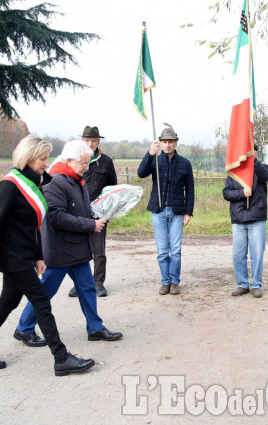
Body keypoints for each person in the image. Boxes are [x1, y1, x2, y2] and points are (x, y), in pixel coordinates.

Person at [0, 136, 95, 377]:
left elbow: (33, 225)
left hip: (24, 257)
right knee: (42, 302)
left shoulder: (32, 183)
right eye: (43, 158)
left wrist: (38, 256)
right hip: (13, 259)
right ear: (27, 157)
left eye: (48, 158)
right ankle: (62, 358)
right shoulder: (7, 187)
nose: (47, 163)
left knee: (7, 304)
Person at [14, 140, 124, 344]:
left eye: (87, 163)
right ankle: (24, 328)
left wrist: (97, 214)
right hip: (60, 251)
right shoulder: (55, 181)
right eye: (83, 163)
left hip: (78, 250)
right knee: (46, 291)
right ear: (70, 160)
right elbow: (56, 217)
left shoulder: (76, 179)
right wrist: (91, 226)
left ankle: (95, 328)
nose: (86, 167)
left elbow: (79, 209)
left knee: (88, 287)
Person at [137, 124, 194, 296]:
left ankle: (175, 281)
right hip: (158, 210)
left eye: (170, 141)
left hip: (177, 211)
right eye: (164, 141)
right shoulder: (154, 160)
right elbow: (141, 173)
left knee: (175, 249)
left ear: (175, 143)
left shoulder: (185, 163)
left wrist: (188, 211)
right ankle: (165, 281)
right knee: (162, 250)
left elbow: (189, 189)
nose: (167, 144)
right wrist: (149, 154)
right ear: (160, 143)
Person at [67, 125, 117, 298]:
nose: (90, 143)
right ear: (82, 141)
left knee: (98, 250)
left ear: (98, 142)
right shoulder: (73, 159)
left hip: (99, 213)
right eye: (87, 140)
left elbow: (112, 189)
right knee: (78, 250)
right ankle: (79, 284)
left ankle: (98, 283)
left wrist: (109, 212)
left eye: (93, 141)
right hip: (77, 213)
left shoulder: (106, 161)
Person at [222, 145, 268, 298]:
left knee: (257, 253)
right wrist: (242, 193)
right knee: (238, 254)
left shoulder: (261, 167)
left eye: (251, 152)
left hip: (257, 217)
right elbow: (226, 193)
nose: (247, 154)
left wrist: (253, 161)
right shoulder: (234, 171)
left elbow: (266, 176)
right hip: (238, 218)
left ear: (254, 153)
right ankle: (242, 284)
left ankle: (256, 285)